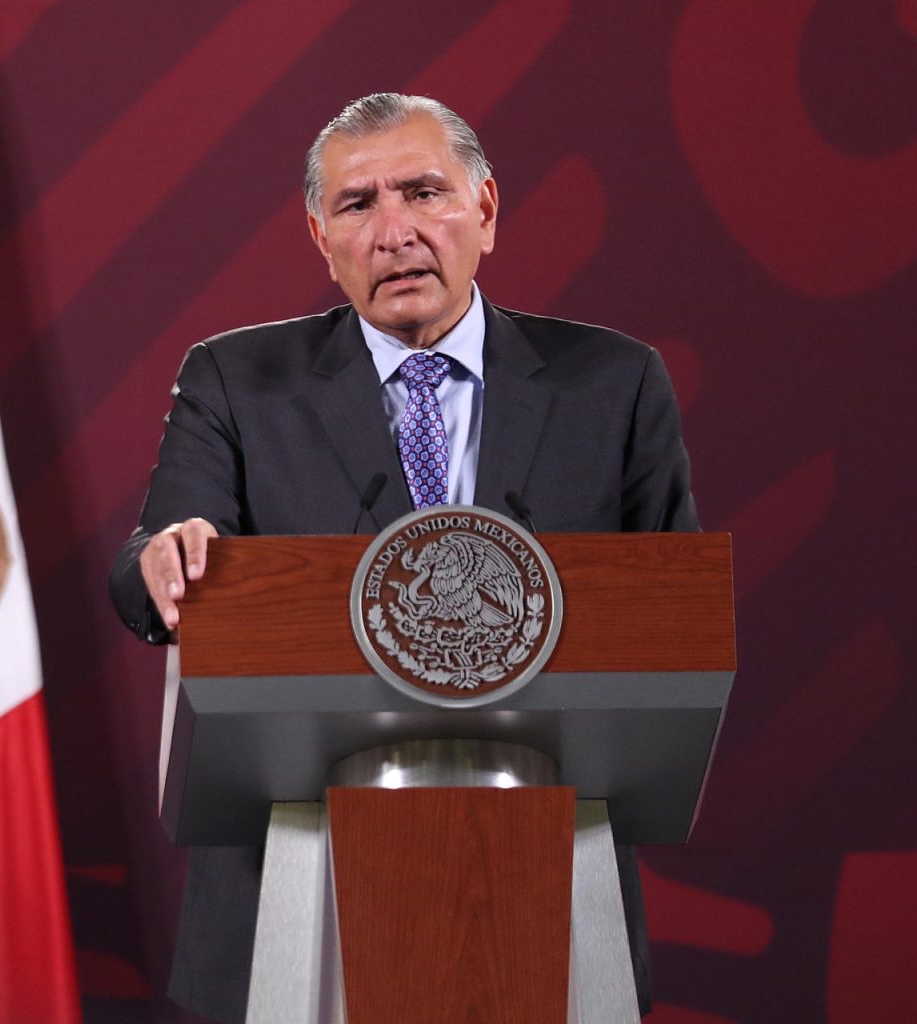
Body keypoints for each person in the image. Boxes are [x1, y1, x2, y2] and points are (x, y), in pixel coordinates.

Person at [109, 93, 697, 1021]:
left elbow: (676, 614)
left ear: (488, 210)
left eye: (424, 193)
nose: (395, 232)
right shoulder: (234, 380)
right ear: (321, 235)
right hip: (297, 890)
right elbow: (158, 552)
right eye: (358, 205)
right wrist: (160, 561)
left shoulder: (613, 384)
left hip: (547, 866)